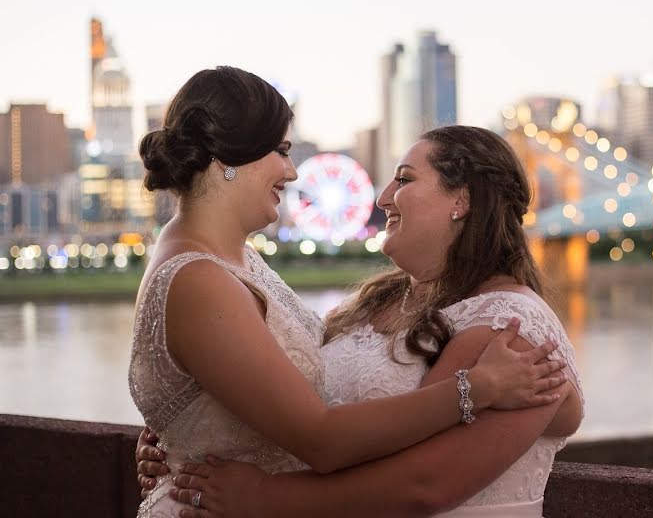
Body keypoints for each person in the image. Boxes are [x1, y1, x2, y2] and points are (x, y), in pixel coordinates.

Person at [130, 67, 568, 518]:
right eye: (281, 150)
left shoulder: (237, 259)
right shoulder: (201, 277)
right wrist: (476, 388)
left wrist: (183, 429)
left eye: (405, 179)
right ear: (227, 157)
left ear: (463, 201)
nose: (293, 170)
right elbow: (321, 437)